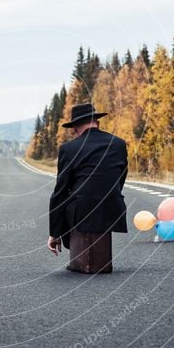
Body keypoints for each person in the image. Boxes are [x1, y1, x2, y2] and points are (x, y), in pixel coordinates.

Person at [47, 102, 128, 273]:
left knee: (68, 199)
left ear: (75, 127)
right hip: (113, 208)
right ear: (97, 122)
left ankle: (76, 253)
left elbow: (60, 192)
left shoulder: (69, 149)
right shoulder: (119, 144)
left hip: (83, 211)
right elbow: (120, 177)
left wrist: (55, 232)